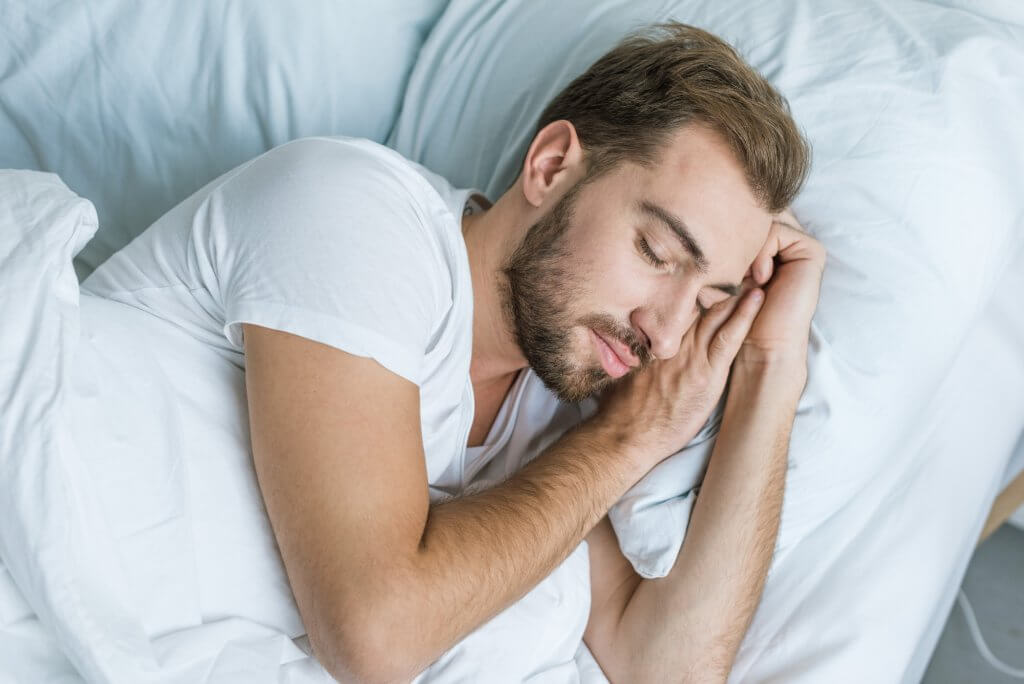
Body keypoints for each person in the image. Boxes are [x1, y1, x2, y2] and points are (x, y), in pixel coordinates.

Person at [82, 22, 824, 683]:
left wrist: (771, 367)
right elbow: (374, 637)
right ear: (552, 164)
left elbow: (666, 669)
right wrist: (631, 438)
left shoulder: (557, 401)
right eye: (656, 252)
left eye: (704, 303)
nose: (663, 334)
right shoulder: (355, 213)